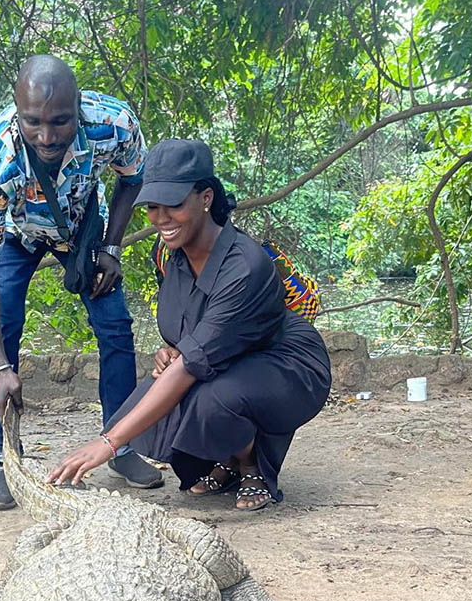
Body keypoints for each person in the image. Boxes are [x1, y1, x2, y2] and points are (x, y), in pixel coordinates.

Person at [47, 139, 332, 511]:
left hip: (285, 361)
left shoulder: (243, 266)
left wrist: (108, 444)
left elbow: (199, 357)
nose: (160, 218)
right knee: (147, 400)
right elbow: (194, 330)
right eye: (152, 207)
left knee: (209, 399)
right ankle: (225, 462)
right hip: (228, 360)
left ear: (206, 198)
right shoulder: (167, 254)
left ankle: (250, 465)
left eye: (174, 205)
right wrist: (173, 350)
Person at [0, 54, 163, 509]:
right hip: (16, 235)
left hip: (79, 228)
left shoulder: (114, 124)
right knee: (1, 331)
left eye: (60, 121)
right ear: (17, 111)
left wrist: (111, 249)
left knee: (115, 326)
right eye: (32, 122)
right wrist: (0, 368)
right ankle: (1, 460)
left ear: (80, 107)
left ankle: (120, 444)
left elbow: (133, 179)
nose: (47, 137)